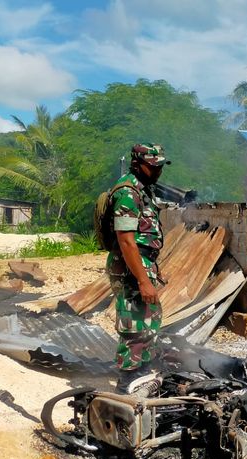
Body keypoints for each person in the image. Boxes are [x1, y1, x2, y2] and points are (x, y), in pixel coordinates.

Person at [107, 143, 170, 393]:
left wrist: (152, 267)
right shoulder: (128, 192)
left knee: (149, 318)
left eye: (160, 166)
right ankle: (126, 381)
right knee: (135, 322)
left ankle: (141, 372)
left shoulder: (144, 190)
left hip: (141, 262)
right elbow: (126, 240)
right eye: (153, 166)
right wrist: (143, 279)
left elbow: (144, 237)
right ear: (137, 163)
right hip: (129, 266)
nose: (158, 171)